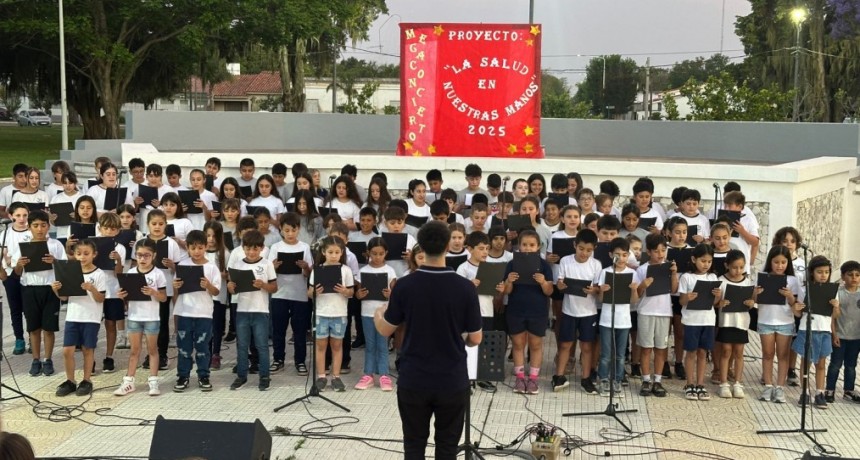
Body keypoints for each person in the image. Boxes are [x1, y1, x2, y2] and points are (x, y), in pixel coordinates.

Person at [374, 220, 482, 459]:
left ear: (420, 246)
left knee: (414, 446)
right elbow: (475, 338)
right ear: (448, 245)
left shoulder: (404, 285)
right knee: (447, 448)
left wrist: (378, 314)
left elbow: (385, 330)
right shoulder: (465, 288)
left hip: (414, 378)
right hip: (452, 379)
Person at [11, 209, 66, 376]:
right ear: (29, 227)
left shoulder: (55, 244)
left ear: (48, 226)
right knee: (33, 328)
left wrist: (54, 262)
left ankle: (48, 360)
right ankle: (36, 359)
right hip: (29, 289)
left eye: (43, 225)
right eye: (35, 226)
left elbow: (64, 269)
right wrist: (20, 263)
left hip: (50, 289)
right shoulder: (23, 246)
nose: (40, 229)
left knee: (49, 328)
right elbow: (17, 272)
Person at [52, 239, 106, 397]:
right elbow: (64, 297)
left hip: (91, 317)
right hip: (73, 316)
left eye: (86, 253)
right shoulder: (70, 271)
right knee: (67, 350)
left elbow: (101, 298)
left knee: (87, 349)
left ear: (94, 254)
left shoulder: (99, 274)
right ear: (74, 255)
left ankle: (86, 380)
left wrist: (92, 288)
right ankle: (70, 380)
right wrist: (56, 290)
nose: (82, 257)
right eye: (79, 254)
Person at [502, 229, 553, 395]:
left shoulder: (544, 265)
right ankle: (519, 377)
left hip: (537, 311)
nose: (528, 248)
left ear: (538, 247)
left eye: (532, 245)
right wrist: (509, 281)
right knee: (518, 344)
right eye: (524, 245)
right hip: (516, 310)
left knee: (535, 344)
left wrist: (543, 282)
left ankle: (533, 379)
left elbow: (549, 291)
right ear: (519, 246)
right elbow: (507, 291)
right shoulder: (512, 264)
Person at [114, 239, 167, 396]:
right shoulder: (130, 273)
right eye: (139, 255)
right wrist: (122, 296)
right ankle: (129, 382)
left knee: (152, 350)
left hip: (151, 317)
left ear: (153, 255)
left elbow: (164, 297)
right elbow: (127, 297)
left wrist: (154, 293)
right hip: (134, 316)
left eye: (147, 255)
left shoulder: (158, 274)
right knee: (134, 350)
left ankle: (153, 381)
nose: (143, 259)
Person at [554, 228, 602, 394]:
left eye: (589, 250)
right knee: (565, 344)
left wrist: (594, 290)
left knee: (587, 346)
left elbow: (597, 287)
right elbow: (560, 283)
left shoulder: (596, 264)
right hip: (569, 310)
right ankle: (559, 376)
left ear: (594, 249)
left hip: (588, 312)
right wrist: (560, 286)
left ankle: (586, 378)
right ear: (575, 245)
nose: (584, 253)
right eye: (581, 249)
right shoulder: (566, 261)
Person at [172, 230, 221, 392]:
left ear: (206, 247)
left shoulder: (211, 267)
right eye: (193, 248)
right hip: (184, 312)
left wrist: (208, 285)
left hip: (203, 313)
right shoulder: (183, 265)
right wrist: (176, 287)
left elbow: (216, 292)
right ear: (187, 248)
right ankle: (183, 376)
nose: (197, 251)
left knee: (202, 346)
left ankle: (203, 375)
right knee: (184, 347)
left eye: (200, 248)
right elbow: (176, 290)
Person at [228, 230, 276, 391]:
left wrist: (263, 285)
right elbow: (233, 288)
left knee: (262, 345)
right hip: (242, 309)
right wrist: (230, 287)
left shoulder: (266, 264)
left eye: (255, 249)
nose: (251, 252)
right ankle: (241, 376)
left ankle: (264, 376)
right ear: (243, 248)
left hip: (261, 310)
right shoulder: (238, 264)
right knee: (242, 345)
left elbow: (274, 287)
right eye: (248, 249)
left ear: (261, 248)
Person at [268, 213, 313, 376]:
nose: (290, 233)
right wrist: (274, 266)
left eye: (293, 230)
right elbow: (269, 273)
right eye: (286, 230)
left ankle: (300, 361)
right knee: (278, 330)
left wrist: (306, 267)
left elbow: (309, 274)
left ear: (298, 229)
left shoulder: (304, 247)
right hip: (279, 294)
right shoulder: (276, 247)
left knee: (300, 330)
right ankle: (278, 359)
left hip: (299, 294)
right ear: (281, 229)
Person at [792, 255, 840, 409]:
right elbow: (798, 313)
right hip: (807, 329)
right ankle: (804, 392)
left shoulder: (832, 290)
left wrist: (836, 306)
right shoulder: (805, 288)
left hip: (824, 330)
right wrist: (797, 308)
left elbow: (835, 316)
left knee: (821, 364)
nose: (823, 275)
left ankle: (819, 393)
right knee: (805, 362)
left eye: (826, 272)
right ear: (812, 272)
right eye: (820, 272)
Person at [594, 237, 640, 396]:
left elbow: (634, 302)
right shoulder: (605, 272)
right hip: (607, 318)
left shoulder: (632, 273)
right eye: (617, 255)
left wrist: (634, 290)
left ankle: (618, 379)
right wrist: (602, 291)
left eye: (624, 255)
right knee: (606, 353)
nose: (621, 258)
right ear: (610, 254)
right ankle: (603, 379)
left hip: (624, 320)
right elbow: (599, 300)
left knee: (620, 354)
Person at [756, 245, 801, 404]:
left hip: (785, 322)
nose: (780, 266)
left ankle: (780, 387)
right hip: (765, 320)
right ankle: (768, 385)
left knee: (783, 356)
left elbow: (795, 305)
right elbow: (754, 300)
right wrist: (756, 294)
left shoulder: (792, 280)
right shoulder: (762, 277)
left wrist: (789, 296)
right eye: (776, 262)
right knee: (767, 354)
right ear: (770, 262)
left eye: (783, 262)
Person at [309, 236, 354, 392]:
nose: (334, 255)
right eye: (330, 252)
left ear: (341, 253)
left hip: (339, 313)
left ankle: (336, 377)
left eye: (337, 252)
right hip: (321, 313)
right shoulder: (317, 270)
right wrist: (315, 292)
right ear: (324, 252)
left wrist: (345, 291)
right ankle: (321, 376)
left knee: (337, 345)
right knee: (321, 346)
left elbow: (351, 292)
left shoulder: (346, 270)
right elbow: (309, 292)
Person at [635, 233, 678, 398]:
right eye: (656, 251)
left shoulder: (668, 267)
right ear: (649, 251)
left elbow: (674, 290)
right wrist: (643, 285)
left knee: (661, 348)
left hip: (664, 312)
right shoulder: (642, 269)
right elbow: (637, 295)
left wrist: (674, 274)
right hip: (646, 312)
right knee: (646, 348)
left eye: (663, 250)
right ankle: (646, 379)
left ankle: (658, 380)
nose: (660, 254)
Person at [678, 243, 722, 401]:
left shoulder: (712, 277)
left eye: (709, 261)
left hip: (708, 320)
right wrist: (687, 298)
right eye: (703, 261)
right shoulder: (687, 277)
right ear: (693, 259)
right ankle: (689, 383)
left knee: (703, 352)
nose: (706, 264)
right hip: (691, 320)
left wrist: (717, 295)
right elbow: (681, 301)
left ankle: (700, 384)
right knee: (691, 352)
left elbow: (715, 302)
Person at [355, 237, 397, 391]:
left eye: (381, 254)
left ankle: (384, 375)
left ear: (386, 253)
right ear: (368, 254)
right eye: (374, 254)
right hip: (367, 312)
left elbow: (395, 293)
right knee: (370, 344)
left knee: (383, 344)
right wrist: (359, 293)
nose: (377, 257)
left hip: (384, 314)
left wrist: (389, 294)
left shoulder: (390, 270)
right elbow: (358, 294)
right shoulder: (363, 271)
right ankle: (368, 374)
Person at [716, 249, 758, 399]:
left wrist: (751, 302)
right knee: (726, 350)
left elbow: (752, 301)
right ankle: (723, 383)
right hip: (727, 321)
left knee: (739, 352)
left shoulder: (747, 282)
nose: (738, 270)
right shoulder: (721, 280)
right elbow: (715, 302)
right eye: (734, 267)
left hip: (741, 322)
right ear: (727, 265)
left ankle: (738, 383)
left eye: (741, 267)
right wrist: (720, 302)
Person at [825, 260, 860, 403]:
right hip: (840, 335)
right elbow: (833, 318)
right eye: (850, 275)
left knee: (851, 365)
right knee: (835, 364)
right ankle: (830, 390)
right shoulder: (838, 293)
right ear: (843, 276)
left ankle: (849, 390)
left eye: (857, 275)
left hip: (856, 337)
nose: (854, 278)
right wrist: (834, 334)